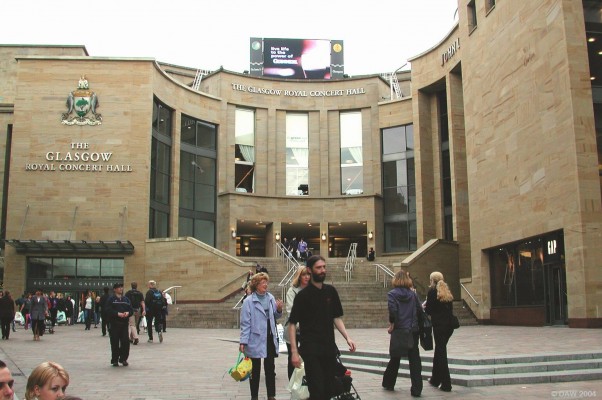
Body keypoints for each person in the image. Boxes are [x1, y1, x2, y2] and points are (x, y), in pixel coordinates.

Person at [288, 255, 357, 400]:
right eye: (318, 268)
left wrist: (347, 337)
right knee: (317, 390)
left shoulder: (330, 291)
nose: (322, 270)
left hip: (328, 349)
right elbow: (292, 324)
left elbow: (336, 317)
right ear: (309, 270)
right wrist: (294, 352)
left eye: (324, 267)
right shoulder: (302, 296)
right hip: (311, 350)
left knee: (328, 389)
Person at [239, 272, 283, 400]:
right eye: (263, 282)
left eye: (266, 282)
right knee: (255, 370)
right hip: (255, 339)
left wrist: (279, 309)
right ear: (256, 285)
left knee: (270, 369)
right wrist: (243, 342)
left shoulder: (270, 297)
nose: (265, 284)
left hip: (269, 338)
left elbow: (275, 316)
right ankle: (254, 396)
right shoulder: (248, 301)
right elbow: (245, 324)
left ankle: (271, 395)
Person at [381, 270, 423, 396]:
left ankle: (389, 382)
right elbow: (419, 310)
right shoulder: (413, 294)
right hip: (412, 329)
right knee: (414, 359)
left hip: (399, 329)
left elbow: (393, 311)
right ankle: (417, 389)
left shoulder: (392, 294)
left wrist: (392, 325)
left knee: (395, 356)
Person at [425, 271, 455, 392]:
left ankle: (446, 384)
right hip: (449, 326)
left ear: (432, 280)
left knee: (441, 353)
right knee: (439, 350)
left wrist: (425, 307)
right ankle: (435, 379)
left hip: (439, 326)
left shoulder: (432, 291)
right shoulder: (446, 291)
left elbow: (429, 310)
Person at [284, 266, 311, 379]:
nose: (307, 277)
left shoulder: (313, 289)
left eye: (308, 275)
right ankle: (293, 383)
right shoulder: (292, 291)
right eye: (304, 275)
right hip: (294, 330)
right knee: (293, 357)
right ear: (299, 277)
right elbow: (290, 311)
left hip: (309, 331)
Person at [105, 282, 133, 367]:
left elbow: (131, 310)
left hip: (124, 324)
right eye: (119, 287)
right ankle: (115, 360)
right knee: (114, 342)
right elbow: (108, 310)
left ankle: (123, 358)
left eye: (121, 287)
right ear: (115, 289)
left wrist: (128, 313)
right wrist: (117, 314)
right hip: (114, 324)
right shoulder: (111, 299)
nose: (121, 289)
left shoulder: (126, 299)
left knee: (125, 342)